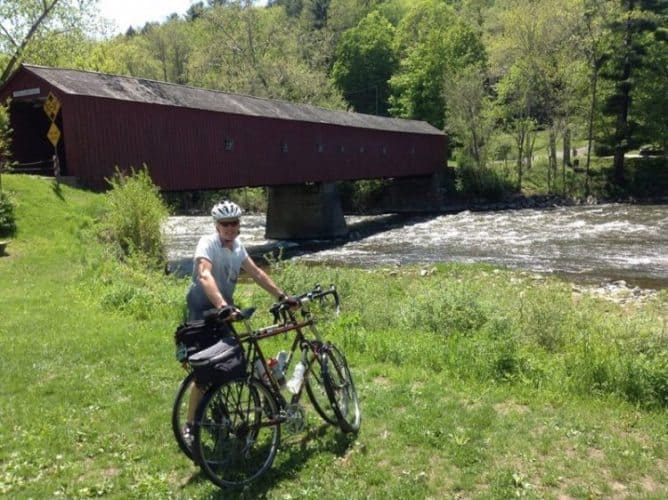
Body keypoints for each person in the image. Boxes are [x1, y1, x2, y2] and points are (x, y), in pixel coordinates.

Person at [183, 200, 291, 445]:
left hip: (225, 313)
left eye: (234, 223)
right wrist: (222, 305)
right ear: (217, 226)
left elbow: (257, 273)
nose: (230, 228)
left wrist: (283, 297)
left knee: (236, 360)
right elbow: (204, 274)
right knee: (203, 374)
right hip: (202, 314)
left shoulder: (238, 247)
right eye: (225, 224)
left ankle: (259, 397)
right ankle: (190, 425)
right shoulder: (208, 244)